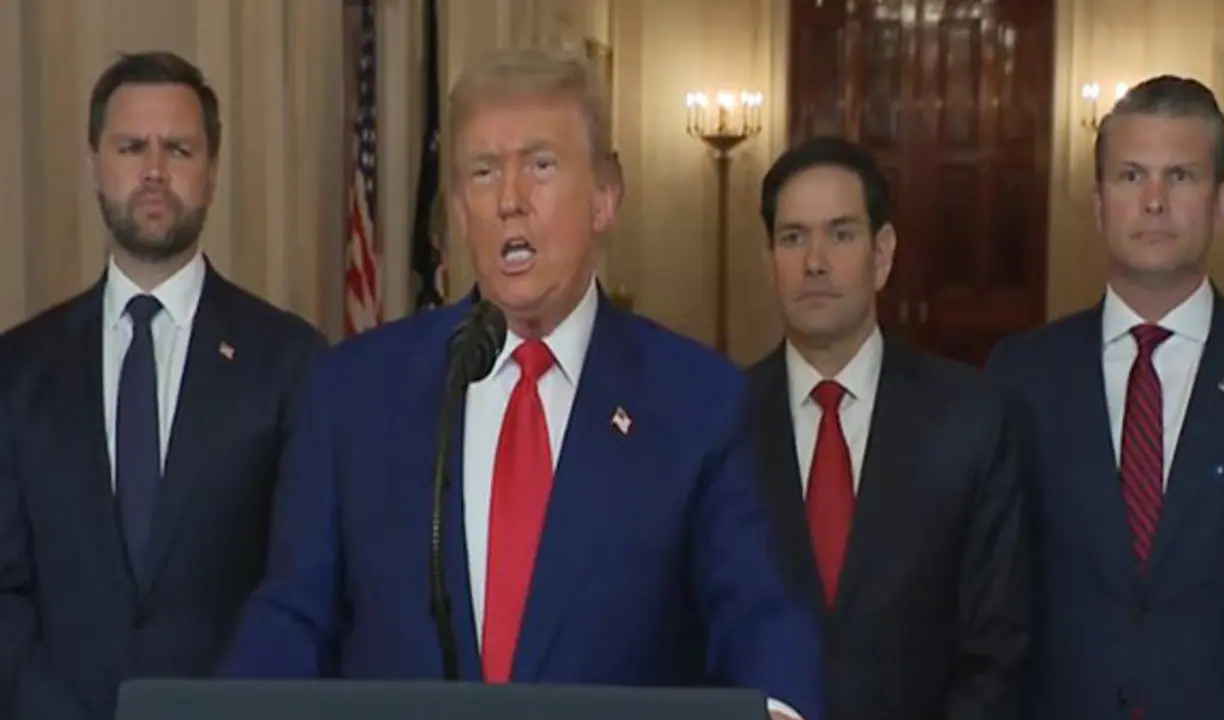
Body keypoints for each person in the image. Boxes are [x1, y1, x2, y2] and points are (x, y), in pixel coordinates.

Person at [218, 48, 824, 720]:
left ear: (604, 198)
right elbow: (292, 617)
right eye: (483, 173)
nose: (509, 201)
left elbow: (760, 617)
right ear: (457, 207)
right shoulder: (353, 394)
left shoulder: (698, 402)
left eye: (540, 166)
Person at [0, 52, 327, 720]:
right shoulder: (18, 368)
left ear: (211, 170)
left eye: (178, 149)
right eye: (130, 148)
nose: (153, 172)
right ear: (95, 163)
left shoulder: (288, 361)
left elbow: (301, 583)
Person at [986, 75, 1224, 719]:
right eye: (1130, 177)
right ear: (1097, 203)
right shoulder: (1021, 377)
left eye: (1180, 177)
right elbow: (990, 599)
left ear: (1223, 202)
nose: (1153, 201)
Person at [746, 136, 1030, 720]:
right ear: (770, 259)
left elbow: (999, 644)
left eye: (841, 234)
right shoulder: (719, 421)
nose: (815, 261)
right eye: (793, 237)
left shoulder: (969, 418)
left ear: (882, 255)